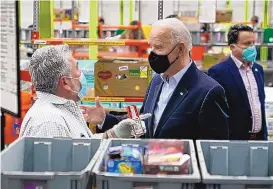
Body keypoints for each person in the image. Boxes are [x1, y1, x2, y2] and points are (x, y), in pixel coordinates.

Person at [82, 18, 229, 140]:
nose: (152, 54)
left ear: (180, 49)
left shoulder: (209, 92)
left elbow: (213, 150)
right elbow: (142, 126)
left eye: (158, 47)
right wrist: (104, 119)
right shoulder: (157, 81)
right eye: (150, 47)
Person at [19, 45, 145, 139]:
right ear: (65, 83)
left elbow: (81, 146)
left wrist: (113, 134)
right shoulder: (50, 124)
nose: (81, 74)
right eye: (77, 69)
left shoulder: (64, 107)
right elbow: (65, 171)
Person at [208, 24, 267, 140]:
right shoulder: (218, 72)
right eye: (246, 44)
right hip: (233, 140)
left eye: (253, 43)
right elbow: (215, 112)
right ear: (232, 47)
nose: (251, 48)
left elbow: (260, 104)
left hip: (259, 139)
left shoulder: (258, 70)